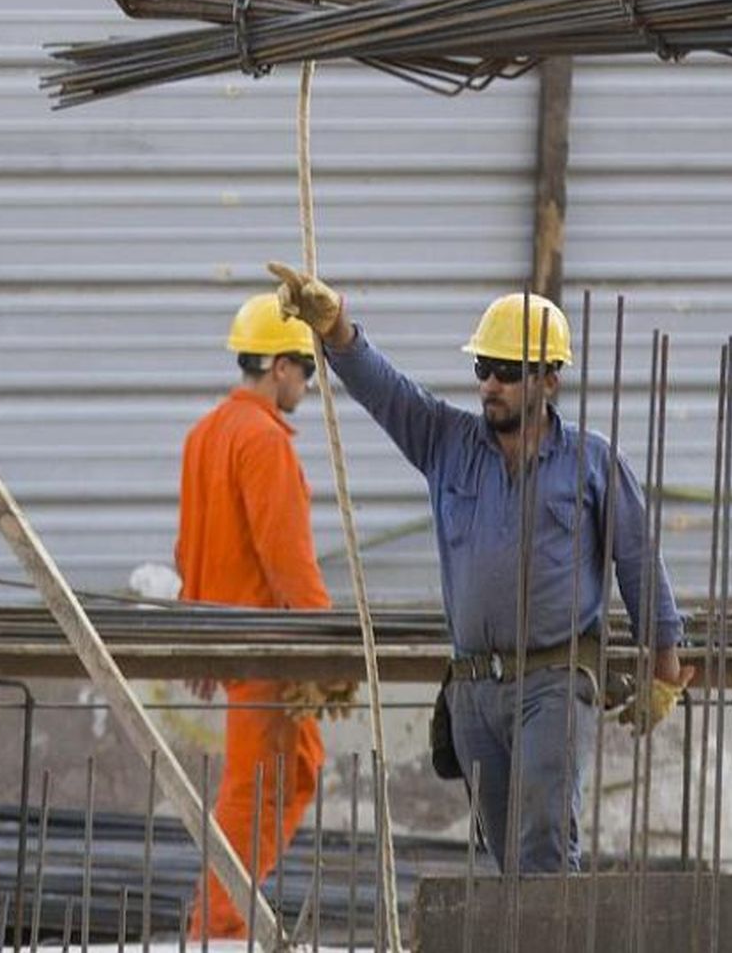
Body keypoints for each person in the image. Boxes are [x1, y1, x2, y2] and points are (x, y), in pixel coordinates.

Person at [267, 261, 694, 873]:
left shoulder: (592, 464)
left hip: (554, 679)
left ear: (548, 381)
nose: (490, 385)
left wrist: (664, 667)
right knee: (506, 856)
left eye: (508, 372)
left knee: (544, 848)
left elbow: (639, 562)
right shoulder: (446, 444)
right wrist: (334, 325)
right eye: (482, 369)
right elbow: (385, 389)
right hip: (474, 692)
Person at [178, 292, 347, 938]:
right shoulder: (264, 441)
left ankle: (215, 926)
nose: (307, 382)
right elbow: (287, 556)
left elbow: (189, 540)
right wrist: (327, 650)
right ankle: (218, 932)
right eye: (305, 368)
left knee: (257, 790)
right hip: (270, 650)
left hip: (229, 642)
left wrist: (196, 634)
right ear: (279, 365)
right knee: (268, 791)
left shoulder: (207, 433)